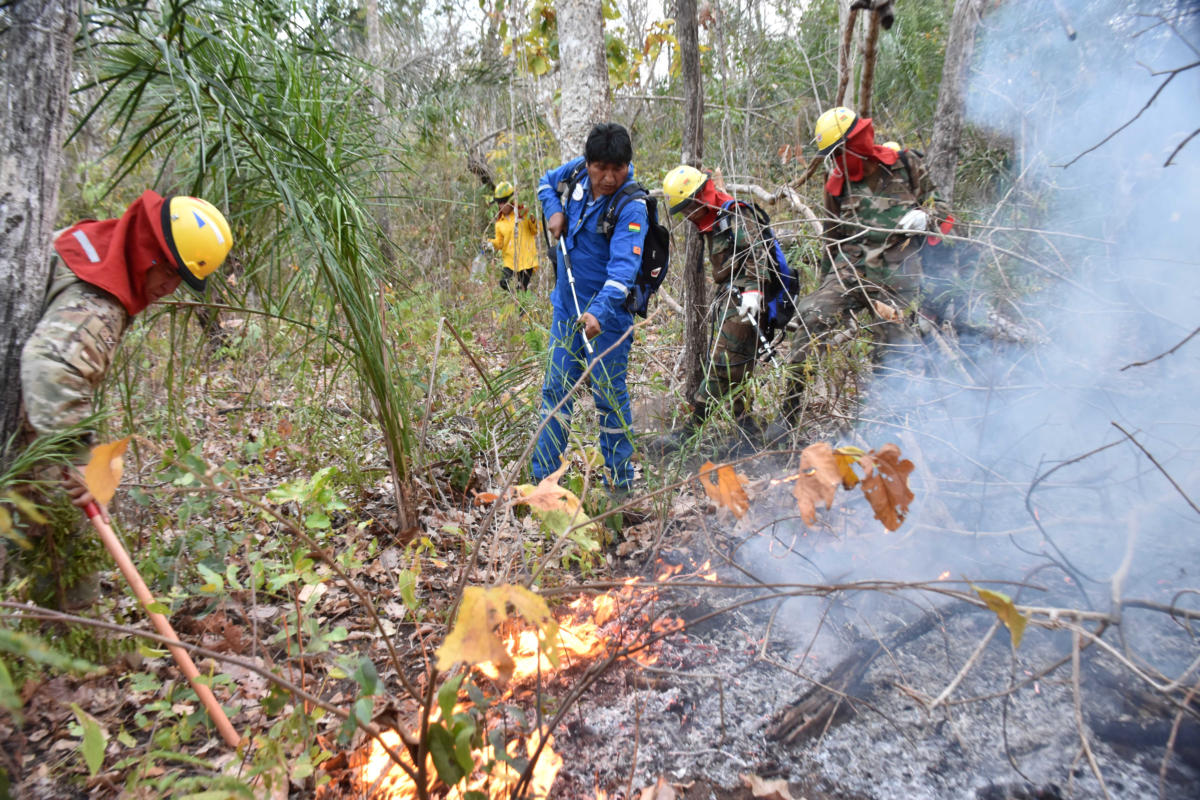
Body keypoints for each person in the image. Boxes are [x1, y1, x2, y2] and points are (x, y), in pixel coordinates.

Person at [14, 190, 232, 607]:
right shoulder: (98, 303)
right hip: (33, 426)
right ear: (147, 251)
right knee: (62, 534)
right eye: (169, 272)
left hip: (29, 413)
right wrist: (81, 465)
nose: (169, 289)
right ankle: (73, 651)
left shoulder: (91, 245)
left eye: (180, 280)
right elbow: (51, 369)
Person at [779, 107, 946, 436]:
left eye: (838, 153)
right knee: (811, 319)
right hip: (851, 273)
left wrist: (927, 218)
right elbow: (831, 239)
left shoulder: (906, 164)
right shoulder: (837, 184)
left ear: (855, 144)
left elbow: (942, 209)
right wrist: (827, 286)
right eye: (832, 157)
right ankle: (786, 418)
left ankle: (884, 429)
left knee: (892, 352)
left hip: (897, 277)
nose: (836, 162)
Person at [531, 123, 647, 493]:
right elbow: (545, 182)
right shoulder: (577, 171)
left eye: (618, 168)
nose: (609, 177)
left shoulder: (633, 206)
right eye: (601, 168)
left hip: (606, 321)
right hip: (566, 310)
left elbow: (623, 272)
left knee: (609, 399)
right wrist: (554, 211)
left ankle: (620, 486)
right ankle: (543, 482)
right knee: (556, 392)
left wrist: (599, 311)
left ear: (628, 165)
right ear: (588, 162)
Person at [655, 164, 788, 454]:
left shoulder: (735, 214)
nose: (688, 216)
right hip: (730, 295)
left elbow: (757, 253)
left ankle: (689, 434)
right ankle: (747, 428)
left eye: (689, 207)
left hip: (748, 298)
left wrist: (753, 292)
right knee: (738, 366)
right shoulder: (713, 217)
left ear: (699, 198)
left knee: (723, 363)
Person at [487, 181, 540, 292]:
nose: (502, 205)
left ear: (512, 199)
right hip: (510, 262)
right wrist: (489, 243)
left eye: (504, 201)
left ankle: (523, 307)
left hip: (526, 261)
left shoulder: (523, 213)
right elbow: (500, 243)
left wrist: (531, 217)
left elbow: (536, 230)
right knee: (504, 282)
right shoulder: (499, 223)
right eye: (500, 202)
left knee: (521, 289)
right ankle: (518, 301)